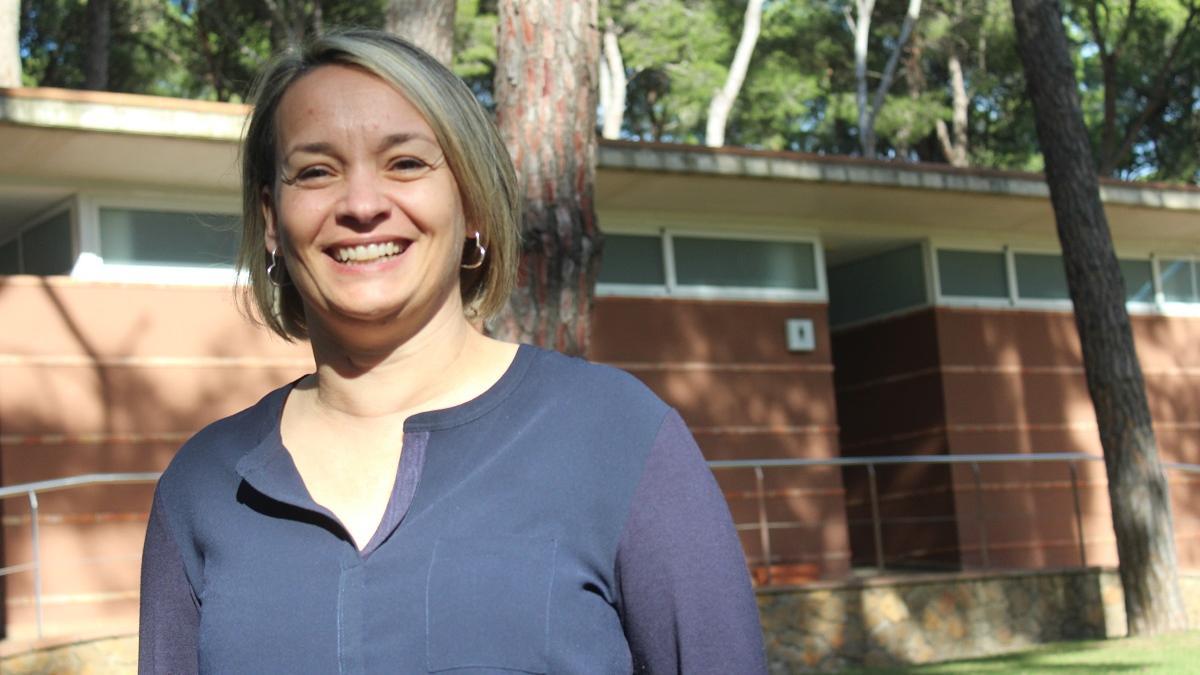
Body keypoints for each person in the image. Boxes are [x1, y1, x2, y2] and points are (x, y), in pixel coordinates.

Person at [138, 29, 766, 674]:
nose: (360, 205)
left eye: (406, 163)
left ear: (470, 203)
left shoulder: (618, 436)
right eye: (316, 171)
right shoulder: (206, 486)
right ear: (272, 220)